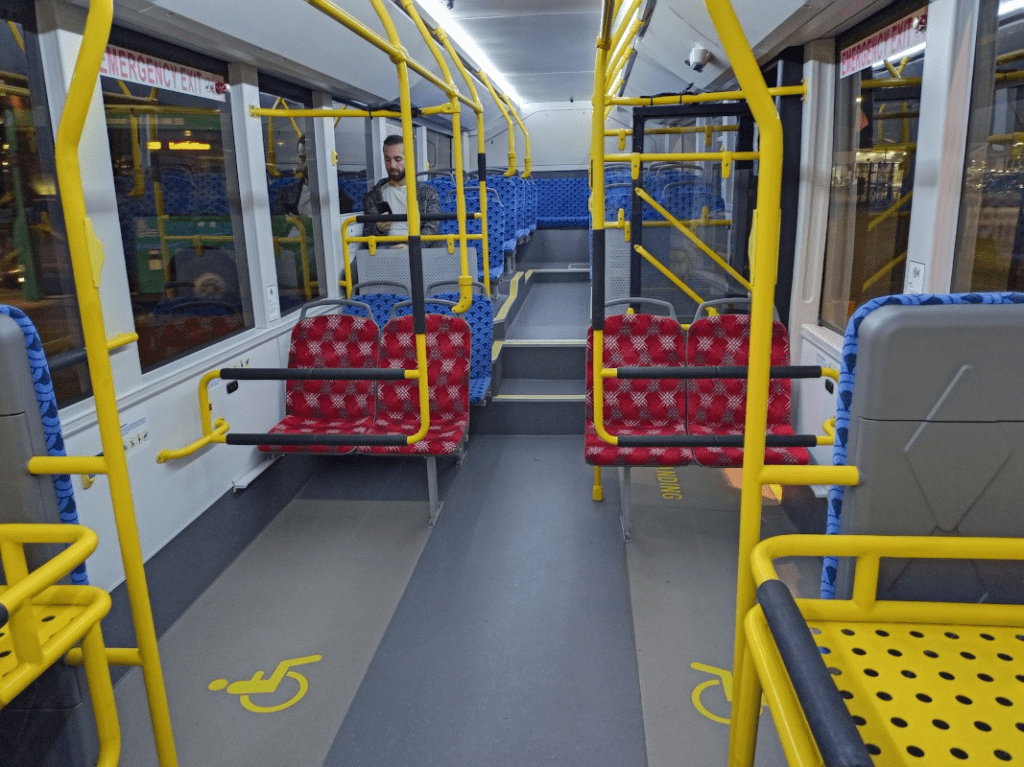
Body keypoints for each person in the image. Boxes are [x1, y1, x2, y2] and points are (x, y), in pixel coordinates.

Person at [362, 134, 441, 244]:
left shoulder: (427, 193)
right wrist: (378, 229)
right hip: (385, 249)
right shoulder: (373, 196)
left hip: (417, 248)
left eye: (398, 159)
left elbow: (432, 229)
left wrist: (410, 247)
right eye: (387, 160)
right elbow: (367, 238)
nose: (392, 165)